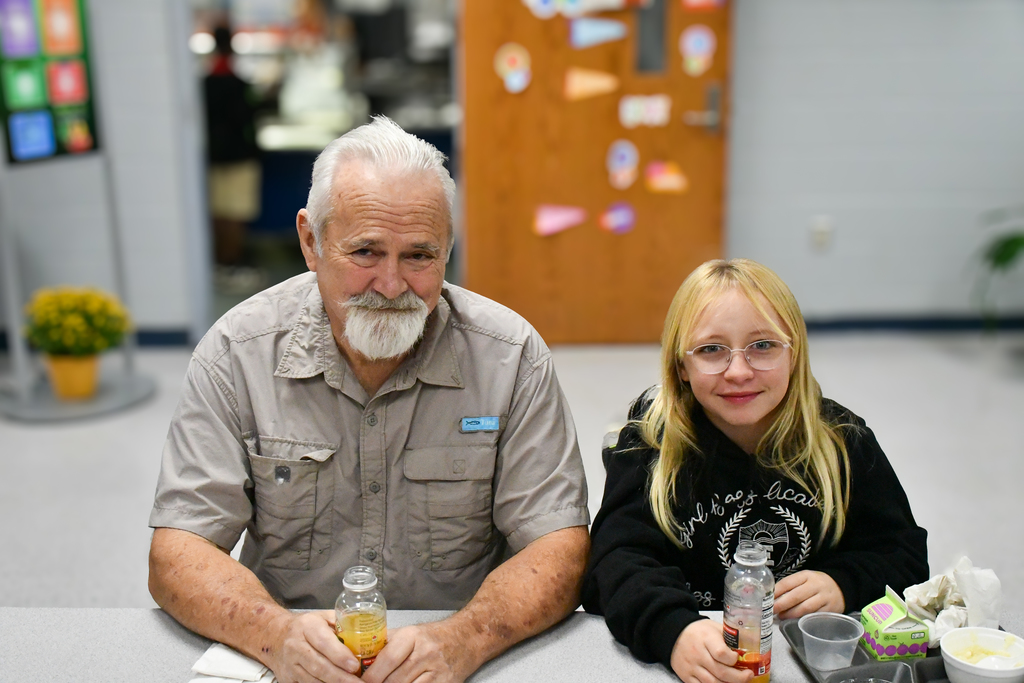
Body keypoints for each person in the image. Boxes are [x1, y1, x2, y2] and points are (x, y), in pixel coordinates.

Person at [149, 116, 590, 683]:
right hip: (291, 657)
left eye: (419, 256)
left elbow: (559, 547)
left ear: (449, 248)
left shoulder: (511, 357)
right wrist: (274, 634)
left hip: (457, 661)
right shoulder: (237, 353)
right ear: (311, 241)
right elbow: (178, 550)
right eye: (365, 252)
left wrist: (463, 640)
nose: (391, 284)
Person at [582, 259, 928, 683]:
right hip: (695, 657)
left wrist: (843, 583)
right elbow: (614, 565)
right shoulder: (649, 447)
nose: (740, 371)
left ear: (794, 353)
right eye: (711, 349)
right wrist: (674, 631)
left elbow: (905, 554)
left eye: (763, 345)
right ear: (680, 367)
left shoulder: (843, 441)